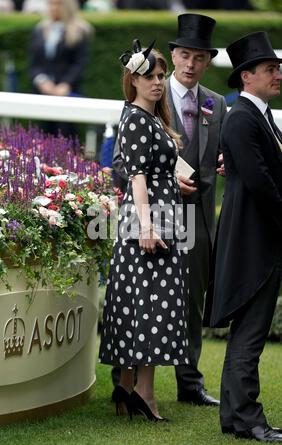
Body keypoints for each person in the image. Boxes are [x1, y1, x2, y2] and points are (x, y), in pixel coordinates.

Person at [112, 14, 227, 406]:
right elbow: (121, 164)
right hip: (153, 215)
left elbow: (217, 155)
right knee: (142, 297)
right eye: (184, 55)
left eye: (199, 57)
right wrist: (164, 183)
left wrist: (226, 159)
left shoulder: (218, 103)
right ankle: (125, 382)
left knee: (189, 300)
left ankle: (189, 382)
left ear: (207, 61)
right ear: (173, 56)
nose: (190, 64)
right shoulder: (145, 101)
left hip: (196, 217)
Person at [99, 40, 189, 421]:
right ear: (132, 81)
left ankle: (128, 389)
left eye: (160, 75)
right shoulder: (136, 117)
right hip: (147, 221)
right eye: (149, 76)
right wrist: (147, 227)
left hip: (162, 215)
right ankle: (144, 395)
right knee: (153, 306)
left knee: (146, 305)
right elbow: (136, 177)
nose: (157, 82)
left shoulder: (153, 118)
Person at [204, 31, 282, 442]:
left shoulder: (258, 117)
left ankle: (236, 418)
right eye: (271, 69)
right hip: (254, 244)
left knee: (246, 335)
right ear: (246, 77)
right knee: (250, 336)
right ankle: (249, 420)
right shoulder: (243, 118)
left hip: (260, 240)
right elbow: (261, 183)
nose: (278, 75)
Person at [28, 0, 93, 137]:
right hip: (43, 93)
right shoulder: (40, 29)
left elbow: (80, 63)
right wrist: (42, 81)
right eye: (51, 4)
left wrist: (66, 84)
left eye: (58, 4)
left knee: (65, 135)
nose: (53, 8)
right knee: (43, 135)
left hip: (67, 93)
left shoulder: (80, 30)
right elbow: (34, 63)